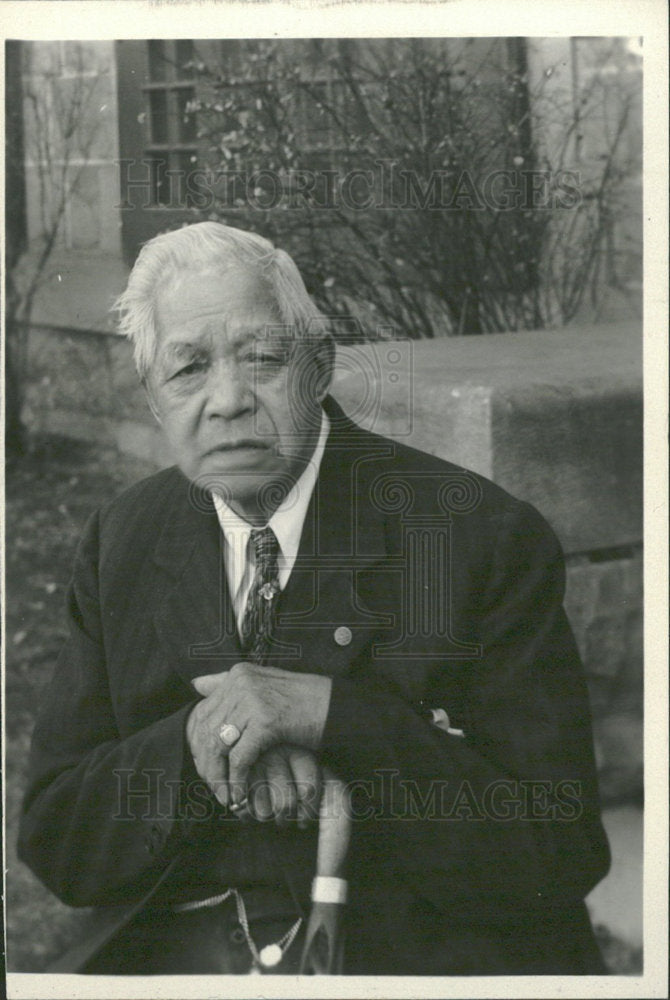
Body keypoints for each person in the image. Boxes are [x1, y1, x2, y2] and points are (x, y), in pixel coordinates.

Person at [18, 222, 610, 976]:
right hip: (183, 958)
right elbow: (58, 840)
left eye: (262, 359)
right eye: (188, 369)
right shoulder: (123, 539)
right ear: (152, 397)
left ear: (320, 366)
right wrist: (206, 741)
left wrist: (335, 717)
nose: (228, 400)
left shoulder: (478, 537)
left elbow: (556, 853)